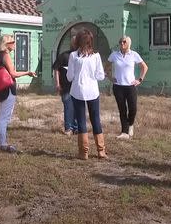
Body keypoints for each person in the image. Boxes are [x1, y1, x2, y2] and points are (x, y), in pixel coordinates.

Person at [66, 29, 106, 160]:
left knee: (81, 120)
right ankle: (101, 151)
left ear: (77, 41)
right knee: (96, 119)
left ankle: (84, 152)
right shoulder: (96, 56)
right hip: (93, 91)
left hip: (77, 91)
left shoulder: (73, 56)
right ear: (91, 41)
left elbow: (70, 77)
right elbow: (100, 76)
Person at [0, 34, 37, 153]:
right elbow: (12, 74)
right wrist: (27, 73)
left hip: (2, 89)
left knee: (2, 116)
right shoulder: (6, 56)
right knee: (4, 117)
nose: (15, 44)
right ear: (7, 44)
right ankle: (2, 143)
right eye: (12, 42)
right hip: (8, 88)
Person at [108, 36, 148, 140]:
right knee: (122, 110)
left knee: (133, 108)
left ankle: (131, 124)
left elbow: (144, 67)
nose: (122, 44)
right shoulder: (114, 55)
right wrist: (110, 77)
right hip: (118, 87)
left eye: (124, 42)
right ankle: (124, 132)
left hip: (130, 86)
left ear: (129, 43)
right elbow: (106, 66)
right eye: (120, 42)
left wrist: (139, 80)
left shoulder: (134, 55)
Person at [52, 35, 79, 135]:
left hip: (78, 87)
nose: (75, 43)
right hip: (66, 87)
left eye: (77, 41)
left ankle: (76, 128)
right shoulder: (64, 55)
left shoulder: (81, 56)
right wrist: (58, 84)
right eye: (74, 42)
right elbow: (56, 69)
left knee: (77, 107)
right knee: (68, 106)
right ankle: (68, 128)